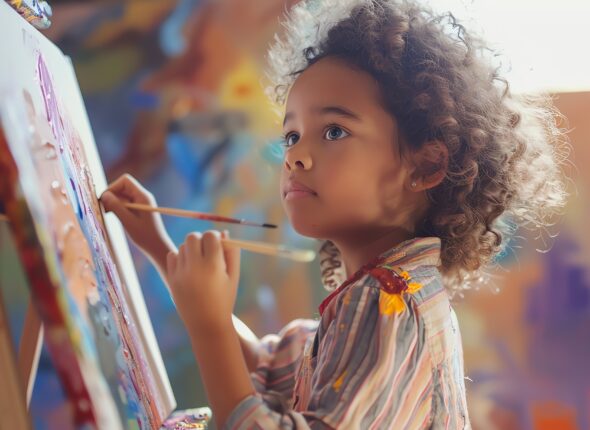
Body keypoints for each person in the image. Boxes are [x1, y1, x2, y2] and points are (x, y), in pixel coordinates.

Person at [100, 0, 569, 427]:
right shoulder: (368, 299)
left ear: (426, 165)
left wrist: (207, 326)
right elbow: (269, 368)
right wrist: (161, 249)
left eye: (334, 132)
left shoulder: (388, 307)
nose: (295, 156)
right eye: (291, 135)